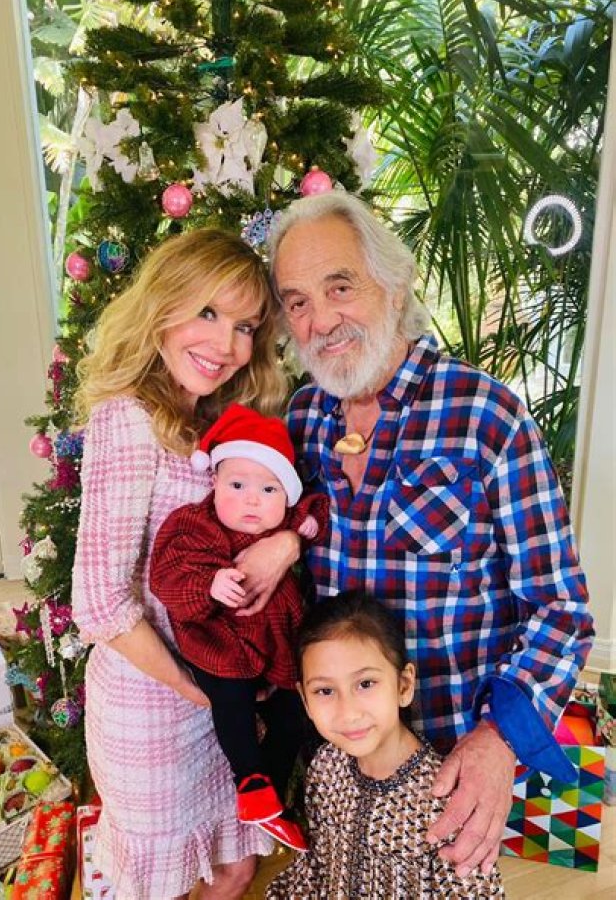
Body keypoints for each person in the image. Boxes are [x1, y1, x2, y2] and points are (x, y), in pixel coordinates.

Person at [247, 190, 593, 878]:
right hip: (337, 770)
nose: (321, 322)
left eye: (339, 287)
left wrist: (498, 743)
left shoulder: (485, 417)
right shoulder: (302, 419)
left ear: (395, 283)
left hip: (448, 777)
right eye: (298, 302)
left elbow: (561, 611)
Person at [71, 228, 291, 900]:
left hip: (216, 702)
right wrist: (199, 690)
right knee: (159, 885)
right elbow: (99, 604)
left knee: (236, 865)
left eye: (245, 326)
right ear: (161, 308)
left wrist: (285, 544)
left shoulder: (217, 422)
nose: (226, 345)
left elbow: (267, 512)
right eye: (207, 313)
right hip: (153, 712)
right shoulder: (128, 420)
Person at [149, 403, 330, 852]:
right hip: (218, 642)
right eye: (237, 485)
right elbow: (166, 577)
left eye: (269, 489)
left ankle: (270, 791)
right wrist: (209, 584)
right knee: (232, 702)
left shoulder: (282, 522)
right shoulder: (194, 525)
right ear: (213, 482)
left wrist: (303, 529)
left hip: (275, 641)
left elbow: (316, 509)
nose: (252, 500)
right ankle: (249, 778)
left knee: (294, 710)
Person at [266, 590, 506, 898]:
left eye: (365, 684)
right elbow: (316, 868)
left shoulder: (445, 799)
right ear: (305, 700)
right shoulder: (325, 767)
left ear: (403, 686)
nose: (348, 712)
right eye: (325, 691)